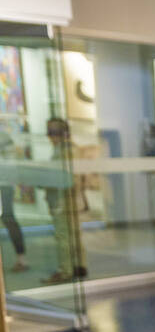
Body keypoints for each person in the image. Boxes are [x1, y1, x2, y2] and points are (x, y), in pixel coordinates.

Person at [43, 118, 87, 284]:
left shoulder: (63, 151)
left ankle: (66, 270)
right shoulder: (71, 148)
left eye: (51, 132)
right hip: (72, 198)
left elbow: (61, 177)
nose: (49, 136)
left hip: (63, 199)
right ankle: (79, 266)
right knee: (74, 234)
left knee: (63, 235)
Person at [0, 127, 28, 272]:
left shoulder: (3, 136)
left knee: (8, 219)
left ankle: (21, 259)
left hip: (4, 185)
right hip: (5, 184)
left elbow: (10, 163)